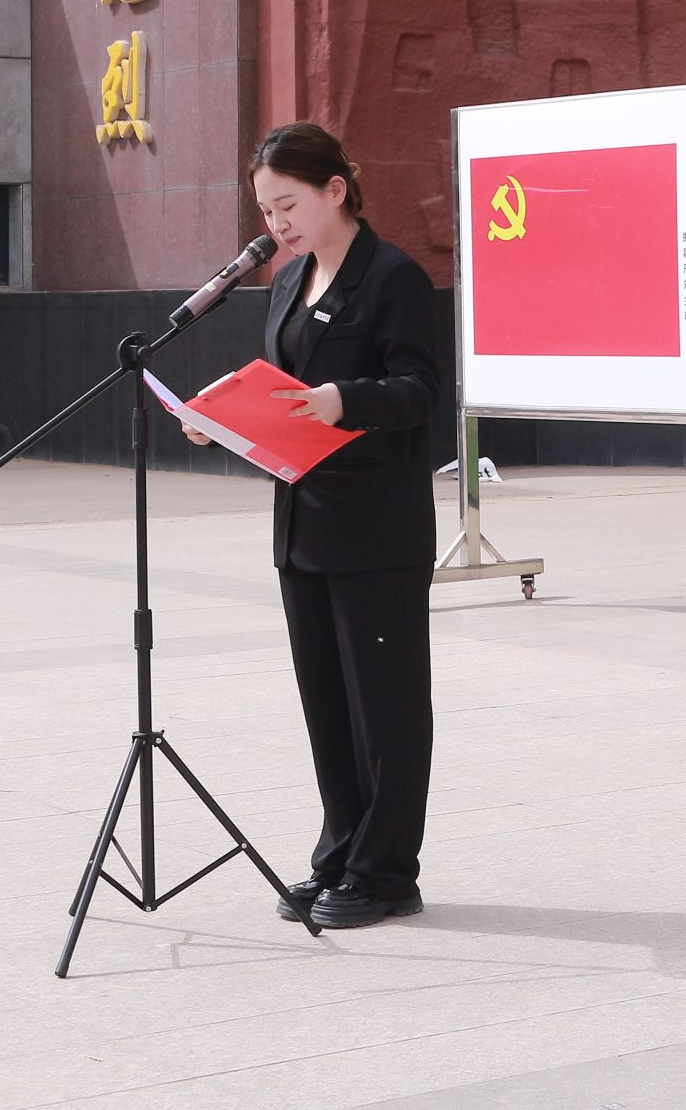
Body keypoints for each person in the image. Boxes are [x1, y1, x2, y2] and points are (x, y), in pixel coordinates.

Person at [179, 121, 440, 928]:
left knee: (385, 709)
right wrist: (224, 417)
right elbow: (281, 386)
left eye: (288, 205)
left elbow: (421, 391)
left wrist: (343, 400)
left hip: (376, 530)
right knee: (327, 706)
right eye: (265, 211)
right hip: (304, 526)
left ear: (337, 188)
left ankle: (386, 872)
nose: (276, 225)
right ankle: (340, 857)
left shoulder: (392, 278)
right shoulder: (290, 281)